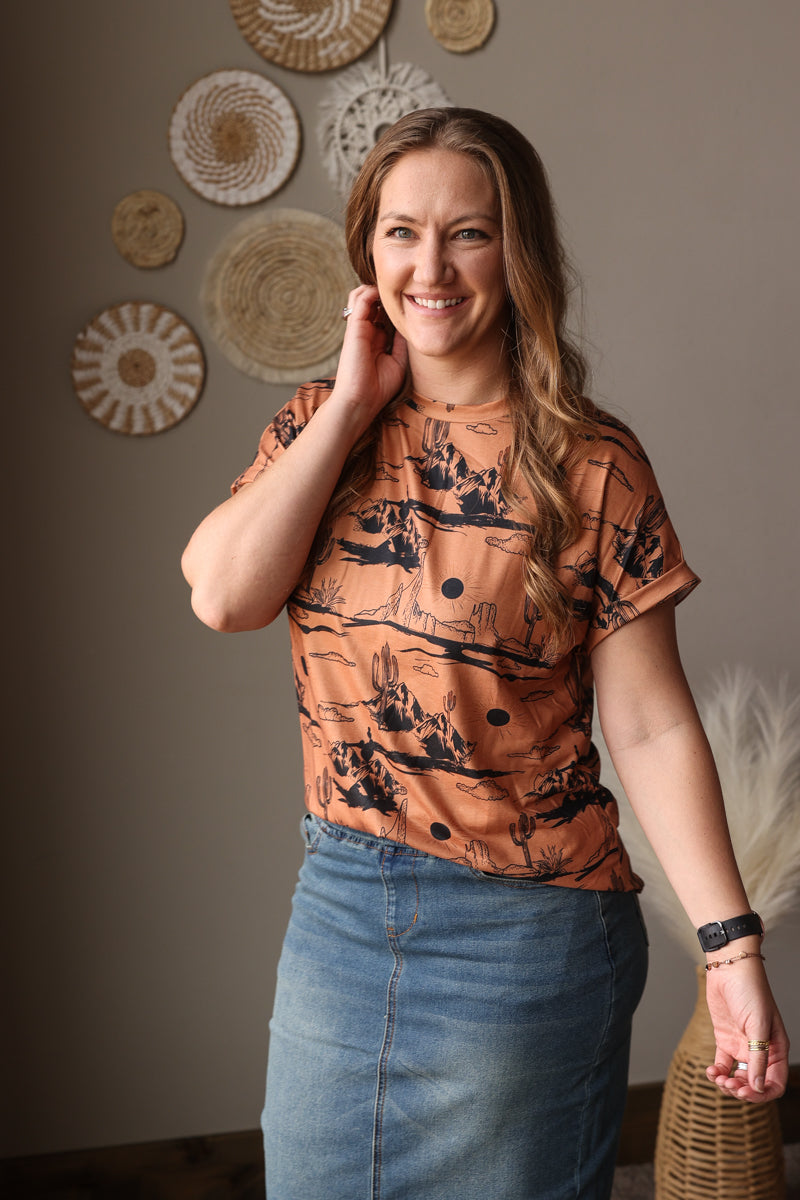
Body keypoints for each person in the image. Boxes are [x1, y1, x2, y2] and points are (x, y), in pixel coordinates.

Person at [181, 107, 789, 1199]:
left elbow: (646, 723)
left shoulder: (587, 462)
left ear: (519, 252)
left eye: (468, 232)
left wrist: (729, 947)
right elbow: (222, 594)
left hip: (528, 931)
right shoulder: (316, 429)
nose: (432, 266)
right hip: (339, 908)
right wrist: (349, 406)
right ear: (366, 254)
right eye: (401, 232)